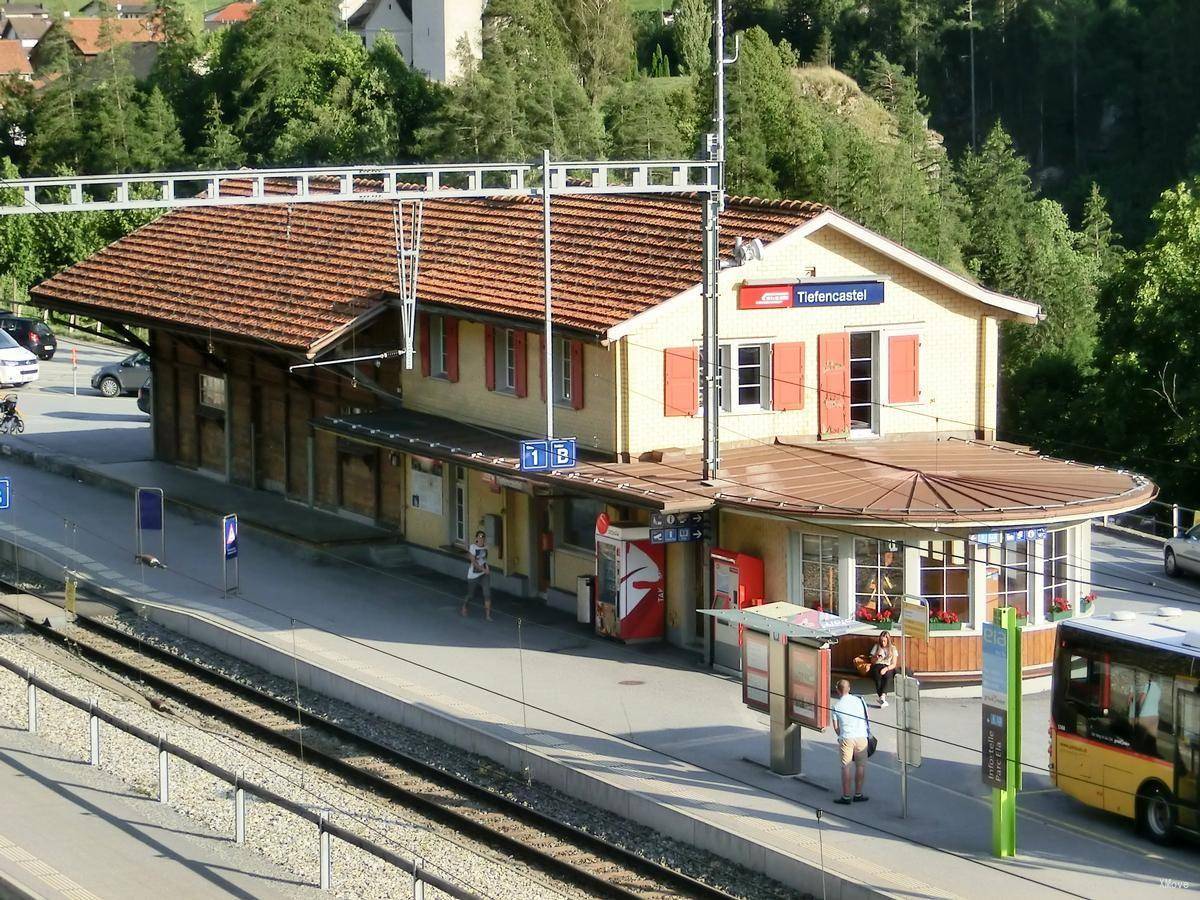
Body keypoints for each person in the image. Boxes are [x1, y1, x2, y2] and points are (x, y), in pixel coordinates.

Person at [831, 678, 869, 805]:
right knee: (861, 766)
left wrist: (842, 733)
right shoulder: (859, 701)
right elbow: (866, 718)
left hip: (847, 738)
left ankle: (846, 796)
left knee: (846, 767)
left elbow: (836, 729)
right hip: (861, 737)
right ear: (849, 689)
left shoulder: (836, 706)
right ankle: (858, 794)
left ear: (837, 691)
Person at [461, 530, 492, 620]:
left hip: (484, 574)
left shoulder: (486, 547)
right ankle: (464, 606)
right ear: (476, 538)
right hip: (473, 574)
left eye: (483, 537)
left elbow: (484, 560)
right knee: (470, 595)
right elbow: (474, 563)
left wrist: (487, 568)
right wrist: (484, 569)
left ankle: (488, 615)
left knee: (487, 594)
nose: (481, 539)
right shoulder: (473, 547)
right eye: (479, 537)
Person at [868, 630, 899, 707]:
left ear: (888, 640)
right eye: (881, 641)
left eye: (885, 641)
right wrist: (876, 656)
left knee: (888, 676)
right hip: (877, 665)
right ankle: (882, 698)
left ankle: (882, 697)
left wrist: (886, 669)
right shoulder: (877, 646)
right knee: (877, 677)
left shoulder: (893, 648)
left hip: (888, 666)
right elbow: (872, 661)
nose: (883, 643)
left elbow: (894, 664)